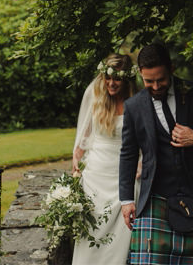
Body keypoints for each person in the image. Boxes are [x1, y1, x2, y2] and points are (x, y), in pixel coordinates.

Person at [118, 42, 193, 265]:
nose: (155, 86)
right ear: (140, 75)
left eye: (160, 79)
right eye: (148, 81)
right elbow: (128, 153)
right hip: (155, 197)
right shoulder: (134, 106)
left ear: (171, 68)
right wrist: (126, 199)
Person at [72, 53, 137, 263]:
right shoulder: (95, 94)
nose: (111, 83)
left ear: (126, 80)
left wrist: (142, 165)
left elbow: (145, 141)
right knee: (91, 230)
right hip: (95, 175)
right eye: (108, 77)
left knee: (119, 238)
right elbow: (85, 132)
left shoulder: (136, 103)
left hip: (124, 175)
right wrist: (76, 159)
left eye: (117, 79)